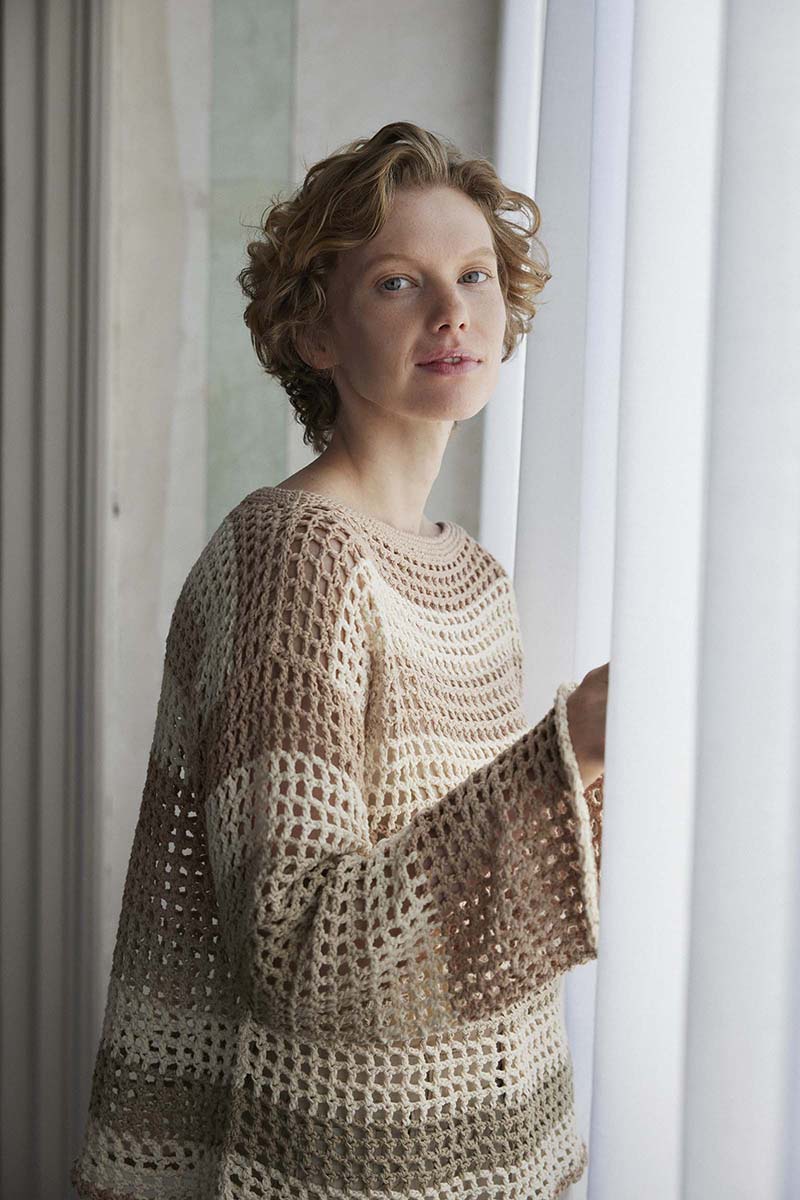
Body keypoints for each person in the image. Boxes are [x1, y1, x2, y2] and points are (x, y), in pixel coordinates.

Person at [71, 121, 609, 1200]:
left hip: (492, 1153)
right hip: (331, 1169)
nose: (452, 311)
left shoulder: (477, 578)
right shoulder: (294, 554)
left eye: (474, 275)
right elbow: (301, 951)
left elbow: (472, 912)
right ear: (315, 332)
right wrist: (575, 747)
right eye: (398, 283)